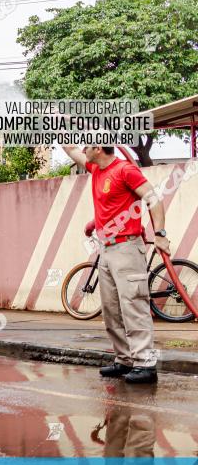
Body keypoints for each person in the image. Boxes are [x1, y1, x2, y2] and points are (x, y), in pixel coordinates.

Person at [63, 145, 169, 384]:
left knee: (134, 305)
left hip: (127, 248)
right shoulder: (96, 168)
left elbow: (153, 198)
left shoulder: (125, 170)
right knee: (111, 308)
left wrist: (160, 233)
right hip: (107, 249)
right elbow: (70, 149)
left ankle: (146, 364)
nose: (82, 150)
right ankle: (125, 359)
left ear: (98, 148)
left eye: (86, 146)